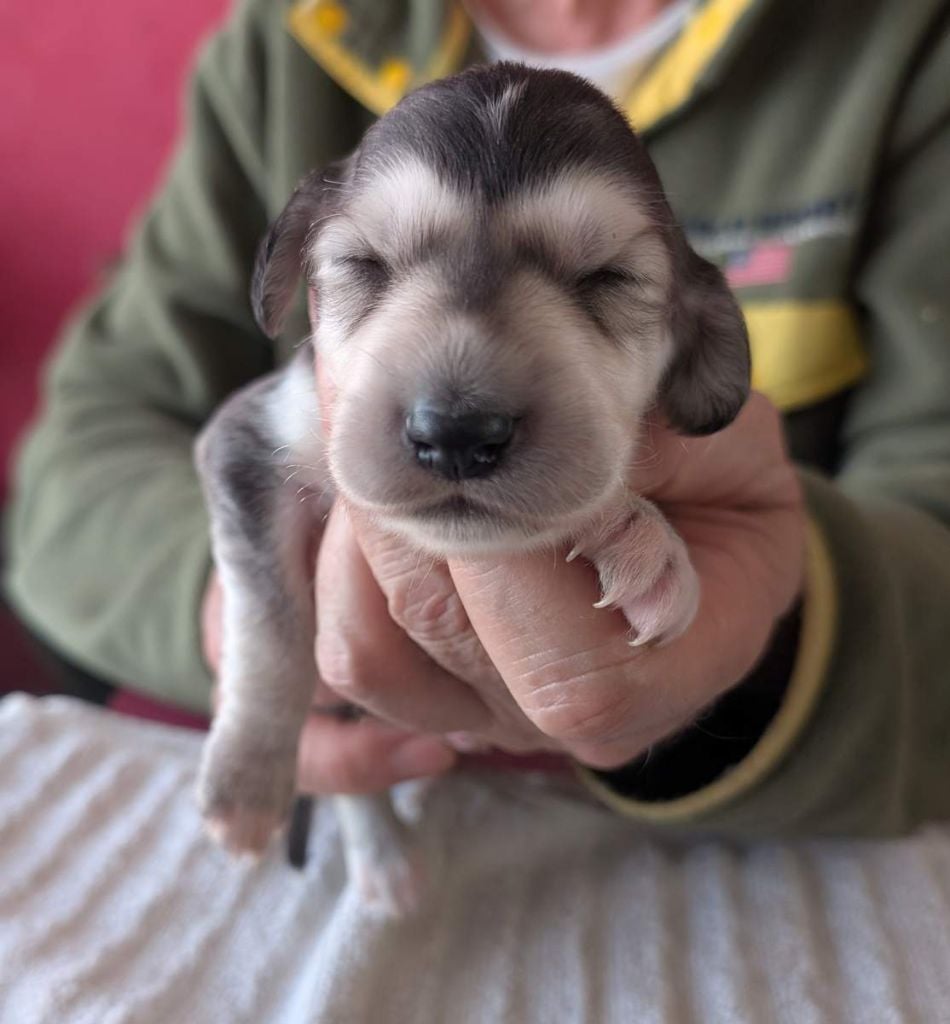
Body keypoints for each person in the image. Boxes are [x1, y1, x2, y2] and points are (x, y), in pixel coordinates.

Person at [6, 0, 950, 835]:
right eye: (367, 268)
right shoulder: (288, 34)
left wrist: (776, 643)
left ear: (699, 339)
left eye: (603, 280)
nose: (458, 405)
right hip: (349, 802)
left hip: (739, 836)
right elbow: (83, 457)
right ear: (296, 267)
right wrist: (251, 631)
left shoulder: (912, 45)